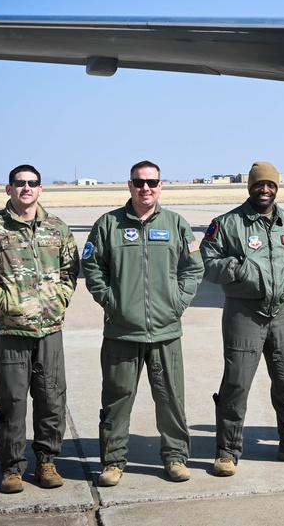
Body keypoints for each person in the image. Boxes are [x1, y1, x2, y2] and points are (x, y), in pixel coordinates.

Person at [81, 160, 204, 486]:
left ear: (160, 185)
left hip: (166, 331)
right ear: (130, 185)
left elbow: (194, 268)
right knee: (117, 399)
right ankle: (113, 462)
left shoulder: (177, 224)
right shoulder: (109, 224)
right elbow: (92, 268)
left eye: (152, 182)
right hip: (122, 330)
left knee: (171, 398)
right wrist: (112, 302)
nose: (145, 188)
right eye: (139, 182)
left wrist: (177, 303)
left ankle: (175, 458)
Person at [200, 162, 284, 477]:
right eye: (259, 185)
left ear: (276, 188)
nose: (264, 190)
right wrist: (242, 271)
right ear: (250, 187)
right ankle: (227, 452)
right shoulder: (228, 224)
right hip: (244, 313)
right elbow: (206, 261)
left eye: (270, 185)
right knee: (237, 383)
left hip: (282, 312)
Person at [0, 164, 79, 494]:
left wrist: (59, 301)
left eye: (32, 183)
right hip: (10, 330)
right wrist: (4, 301)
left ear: (41, 189)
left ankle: (47, 461)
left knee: (51, 398)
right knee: (13, 400)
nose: (26, 188)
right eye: (20, 183)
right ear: (9, 189)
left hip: (49, 328)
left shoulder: (57, 227)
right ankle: (12, 467)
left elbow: (71, 270)